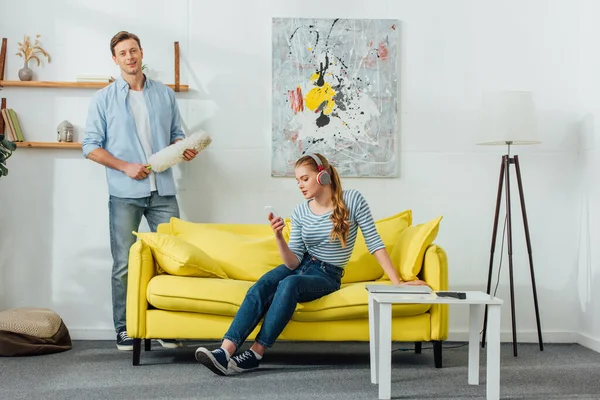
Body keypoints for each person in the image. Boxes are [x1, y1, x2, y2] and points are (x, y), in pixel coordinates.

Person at [195, 153, 427, 375]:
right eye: (297, 181)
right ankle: (225, 352)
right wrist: (278, 238)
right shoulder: (300, 212)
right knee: (262, 285)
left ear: (322, 176)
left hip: (327, 274)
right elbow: (293, 260)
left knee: (289, 285)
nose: (300, 185)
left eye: (304, 179)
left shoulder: (353, 200)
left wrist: (397, 283)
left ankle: (255, 355)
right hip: (300, 265)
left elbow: (375, 243)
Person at [82, 31, 198, 351]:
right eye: (123, 53)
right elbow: (90, 147)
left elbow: (176, 135)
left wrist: (183, 148)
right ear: (115, 59)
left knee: (172, 259)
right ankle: (124, 327)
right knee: (124, 263)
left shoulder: (163, 94)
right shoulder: (103, 99)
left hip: (162, 189)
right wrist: (124, 166)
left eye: (133, 50)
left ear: (141, 53)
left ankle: (165, 324)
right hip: (124, 191)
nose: (130, 57)